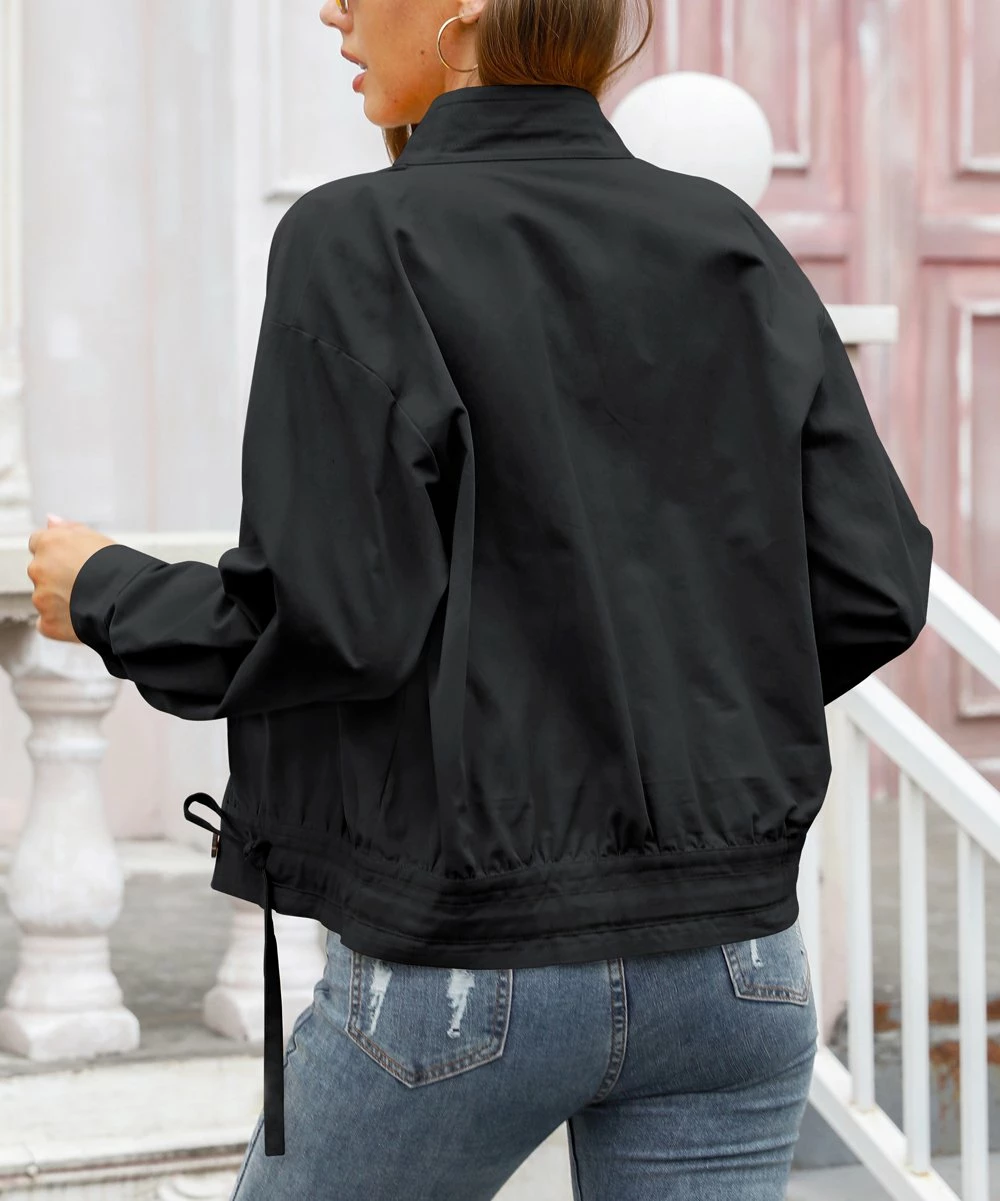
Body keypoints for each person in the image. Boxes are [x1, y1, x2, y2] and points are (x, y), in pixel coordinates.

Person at [26, 0, 934, 1196]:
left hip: (472, 961)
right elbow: (873, 584)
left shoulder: (361, 236)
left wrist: (103, 589)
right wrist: (675, 721)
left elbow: (332, 616)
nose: (333, 10)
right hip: (733, 965)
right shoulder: (724, 236)